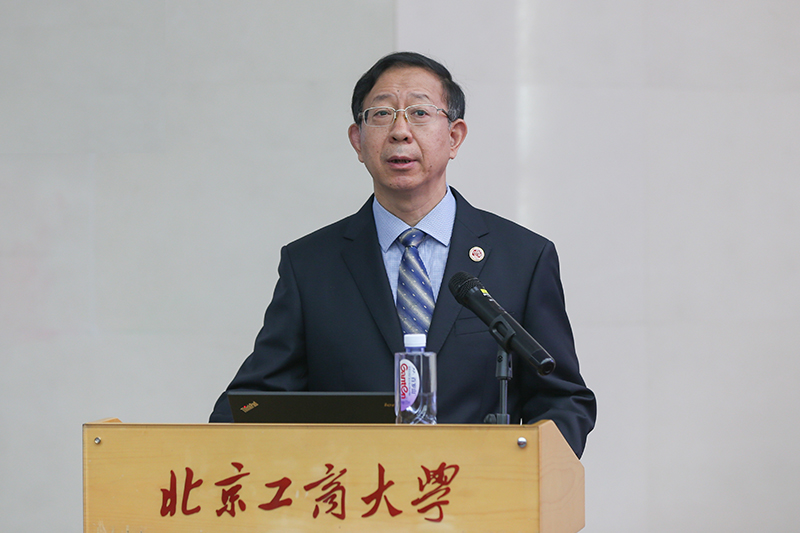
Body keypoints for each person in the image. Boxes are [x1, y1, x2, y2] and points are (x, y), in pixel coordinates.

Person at [210, 52, 596, 457]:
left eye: (419, 113)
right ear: (357, 141)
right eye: (381, 114)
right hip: (357, 490)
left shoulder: (522, 258)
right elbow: (255, 403)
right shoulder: (310, 265)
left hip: (478, 488)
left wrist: (523, 471)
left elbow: (562, 399)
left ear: (454, 137)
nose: (400, 131)